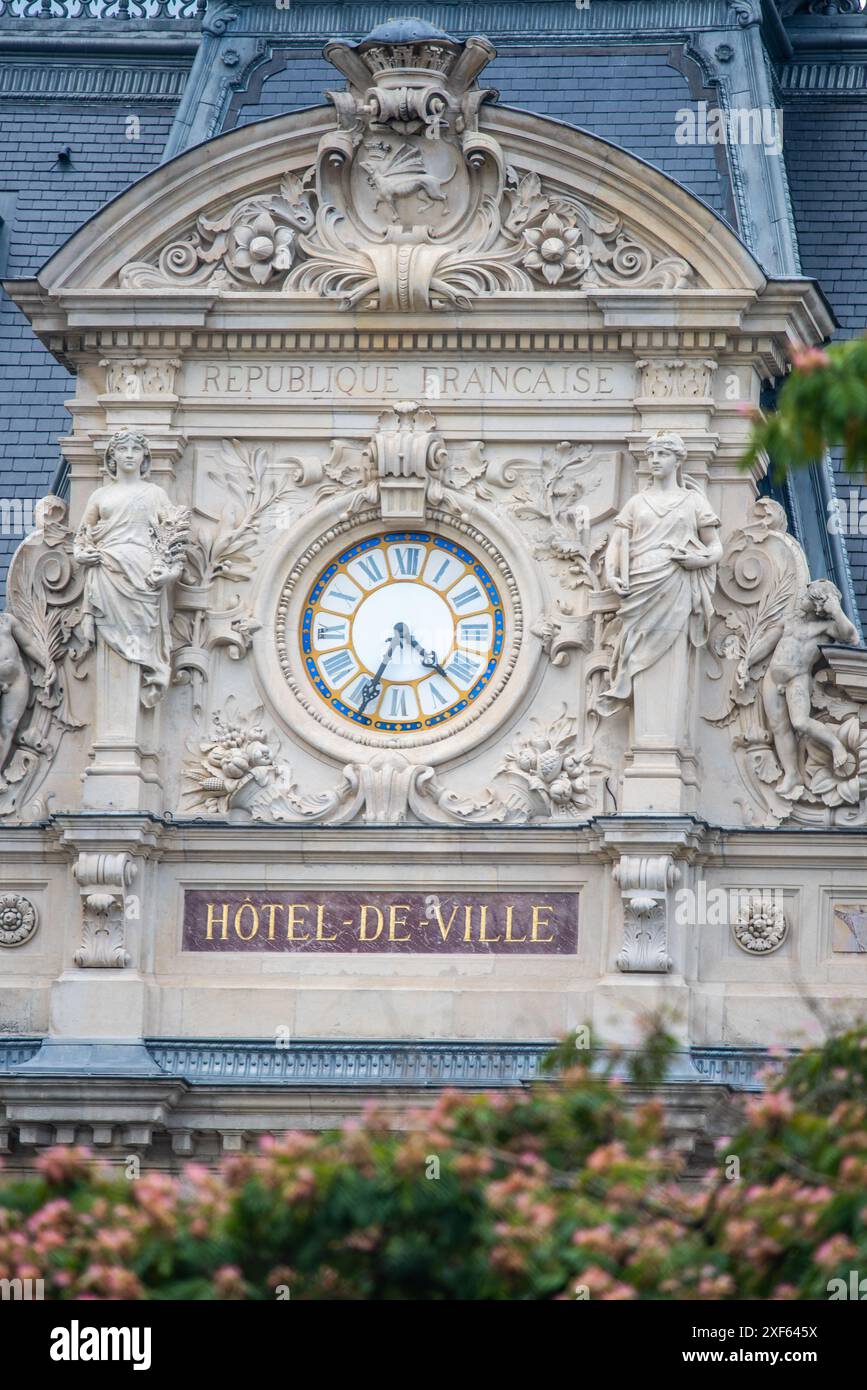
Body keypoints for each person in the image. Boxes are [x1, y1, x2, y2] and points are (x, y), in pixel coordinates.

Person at [598, 431, 722, 715]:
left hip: (675, 581)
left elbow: (715, 547)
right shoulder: (637, 502)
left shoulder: (693, 502)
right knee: (633, 644)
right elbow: (618, 542)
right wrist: (612, 571)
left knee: (668, 651)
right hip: (640, 584)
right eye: (651, 454)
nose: (655, 460)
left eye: (662, 454)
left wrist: (698, 560)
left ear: (678, 460)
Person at [73, 431, 188, 708]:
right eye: (122, 449)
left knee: (142, 637)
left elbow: (176, 539)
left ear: (144, 457)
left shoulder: (155, 494)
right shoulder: (100, 495)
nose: (128, 454)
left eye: (135, 449)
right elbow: (81, 536)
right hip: (108, 572)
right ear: (111, 456)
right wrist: (81, 554)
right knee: (111, 640)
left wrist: (170, 573)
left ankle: (147, 678)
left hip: (144, 577)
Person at [749, 578, 860, 799]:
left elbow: (852, 636)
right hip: (773, 677)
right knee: (779, 727)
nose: (802, 599)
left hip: (797, 679)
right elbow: (767, 643)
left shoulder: (826, 627)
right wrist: (746, 664)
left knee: (799, 722)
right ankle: (792, 774)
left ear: (820, 604)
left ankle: (836, 745)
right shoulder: (789, 621)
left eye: (808, 597)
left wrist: (836, 610)